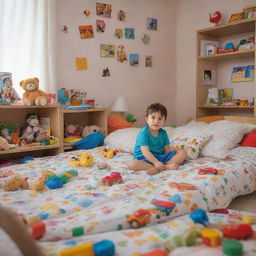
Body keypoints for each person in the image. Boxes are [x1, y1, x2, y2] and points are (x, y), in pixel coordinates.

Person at [128, 103, 187, 175]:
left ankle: (160, 167)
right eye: (153, 117)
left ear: (164, 121)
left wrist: (171, 157)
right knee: (132, 165)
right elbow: (146, 152)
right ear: (147, 119)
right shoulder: (143, 134)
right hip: (144, 157)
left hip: (159, 156)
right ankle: (165, 167)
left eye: (160, 118)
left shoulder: (163, 133)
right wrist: (156, 162)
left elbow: (167, 151)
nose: (156, 121)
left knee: (183, 152)